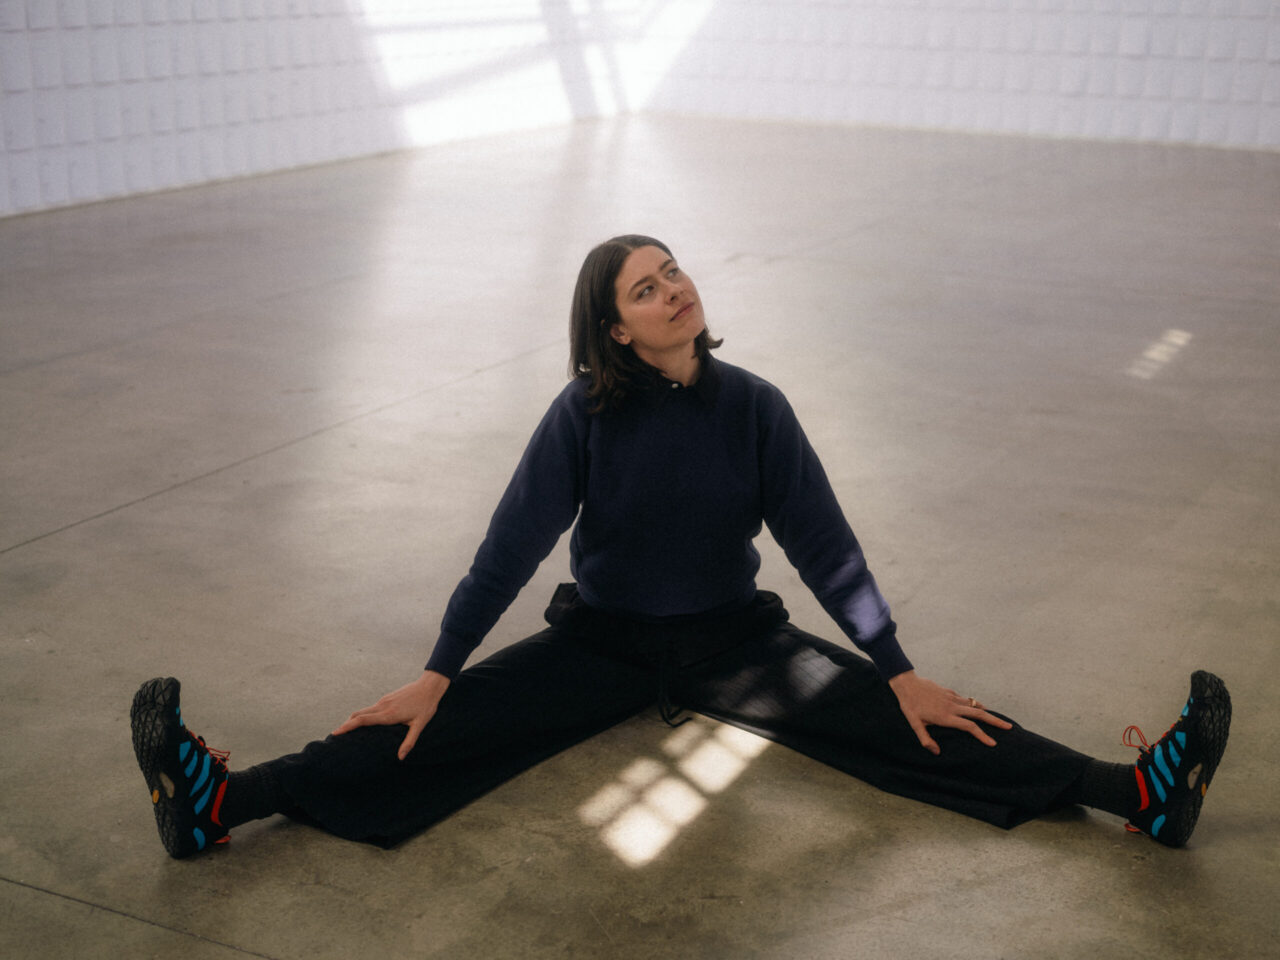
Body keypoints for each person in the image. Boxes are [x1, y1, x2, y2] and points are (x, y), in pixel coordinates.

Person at [130, 235, 1231, 860]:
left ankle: (1138, 792)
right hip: (600, 640)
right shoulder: (583, 416)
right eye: (645, 288)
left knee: (908, 722)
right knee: (437, 731)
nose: (675, 290)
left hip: (730, 641)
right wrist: (436, 668)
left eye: (674, 272)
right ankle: (215, 804)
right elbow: (510, 544)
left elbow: (820, 541)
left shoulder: (754, 405)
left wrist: (896, 668)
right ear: (615, 328)